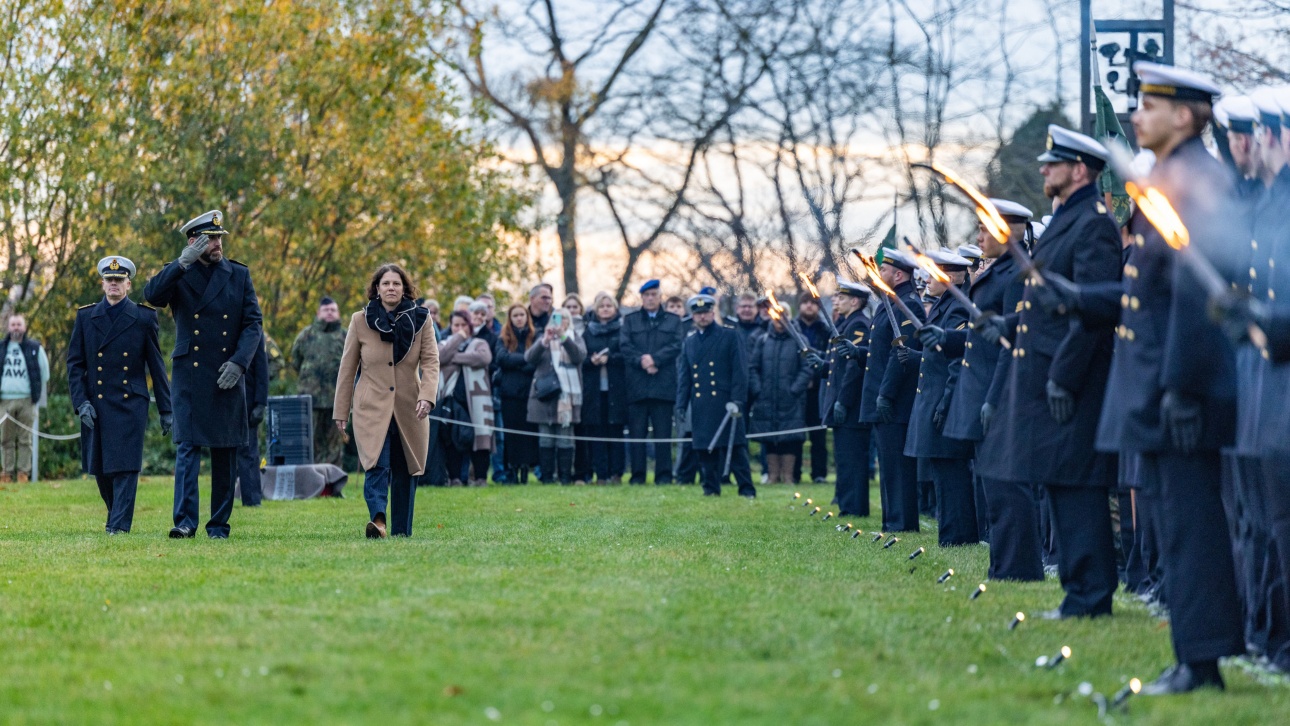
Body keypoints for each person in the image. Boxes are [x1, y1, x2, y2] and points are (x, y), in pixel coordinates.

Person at [975, 126, 1121, 617]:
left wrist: (1065, 375)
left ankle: (1090, 595)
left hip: (1069, 380)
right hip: (1047, 375)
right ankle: (1078, 592)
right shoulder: (1067, 221)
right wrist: (1007, 321)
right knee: (1061, 483)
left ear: (1080, 170)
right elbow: (1047, 307)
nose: (1043, 170)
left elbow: (1093, 311)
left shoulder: (1094, 224)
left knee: (1078, 487)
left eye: (1053, 164)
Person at [144, 210, 263, 539]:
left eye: (219, 237)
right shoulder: (180, 273)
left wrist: (240, 363)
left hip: (227, 372)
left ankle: (218, 525)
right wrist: (181, 263)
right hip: (190, 375)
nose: (217, 243)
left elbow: (253, 324)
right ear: (194, 241)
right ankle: (184, 522)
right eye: (210, 239)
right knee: (187, 448)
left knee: (225, 451)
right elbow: (151, 296)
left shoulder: (238, 275)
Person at [943, 199, 1041, 579]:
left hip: (1001, 390)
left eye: (985, 229)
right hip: (982, 386)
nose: (978, 237)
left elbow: (1013, 342)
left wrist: (994, 397)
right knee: (993, 485)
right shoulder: (998, 271)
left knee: (1008, 486)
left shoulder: (1018, 272)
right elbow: (980, 334)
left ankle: (1019, 567)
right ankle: (1003, 563)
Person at [66, 256, 172, 533]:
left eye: (119, 280)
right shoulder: (86, 316)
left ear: (128, 283)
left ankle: (119, 526)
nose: (114, 284)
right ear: (103, 283)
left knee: (126, 466)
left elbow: (156, 366)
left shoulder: (144, 317)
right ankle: (115, 516)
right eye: (109, 280)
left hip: (130, 403)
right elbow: (75, 364)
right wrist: (81, 403)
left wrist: (166, 409)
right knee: (101, 468)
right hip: (96, 405)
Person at [333, 263, 438, 538]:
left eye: (396, 283)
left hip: (410, 406)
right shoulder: (359, 320)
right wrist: (341, 410)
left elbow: (431, 361)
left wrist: (428, 397)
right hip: (370, 406)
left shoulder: (422, 319)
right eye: (386, 283)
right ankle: (378, 522)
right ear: (376, 289)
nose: (391, 288)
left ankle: (402, 530)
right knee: (376, 464)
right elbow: (348, 368)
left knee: (405, 467)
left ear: (405, 289)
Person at [906, 250, 978, 547]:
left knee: (951, 473)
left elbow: (955, 362)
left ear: (948, 278)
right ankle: (950, 533)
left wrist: (946, 402)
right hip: (935, 397)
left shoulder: (957, 309)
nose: (925, 280)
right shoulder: (944, 306)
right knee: (942, 470)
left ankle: (958, 536)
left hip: (944, 400)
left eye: (931, 274)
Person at [859, 248, 926, 533]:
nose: (878, 274)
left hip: (896, 400)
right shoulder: (890, 303)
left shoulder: (907, 305)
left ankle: (902, 523)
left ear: (898, 275)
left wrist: (885, 394)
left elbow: (899, 357)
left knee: (898, 466)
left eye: (883, 270)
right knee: (888, 464)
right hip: (883, 396)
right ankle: (891, 521)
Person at [676, 294, 755, 498]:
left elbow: (740, 371)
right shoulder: (690, 342)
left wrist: (738, 400)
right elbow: (685, 378)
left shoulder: (729, 335)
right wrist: (681, 405)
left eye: (705, 312)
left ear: (713, 313)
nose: (702, 317)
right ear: (693, 316)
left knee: (736, 448)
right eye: (698, 313)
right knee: (705, 449)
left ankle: (746, 489)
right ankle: (710, 488)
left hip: (726, 402)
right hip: (701, 403)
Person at [620, 280, 683, 485]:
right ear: (642, 297)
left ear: (659, 296)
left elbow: (676, 345)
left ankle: (663, 476)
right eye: (646, 295)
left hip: (663, 386)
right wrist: (642, 361)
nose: (650, 298)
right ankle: (637, 476)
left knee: (663, 434)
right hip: (637, 386)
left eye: (654, 294)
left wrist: (656, 360)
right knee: (637, 435)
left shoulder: (673, 321)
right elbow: (625, 347)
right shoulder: (631, 320)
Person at [822, 282, 872, 516]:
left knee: (853, 458)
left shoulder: (859, 324)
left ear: (855, 301)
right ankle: (846, 503)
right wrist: (822, 366)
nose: (836, 300)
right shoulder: (845, 324)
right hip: (842, 400)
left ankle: (854, 507)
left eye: (842, 297)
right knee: (844, 457)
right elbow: (838, 367)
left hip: (851, 403)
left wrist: (843, 400)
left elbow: (854, 368)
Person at [748, 310, 814, 483]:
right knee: (769, 437)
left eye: (783, 316)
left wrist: (794, 390)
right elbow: (753, 367)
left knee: (789, 438)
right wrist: (758, 389)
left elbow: (807, 367)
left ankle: (788, 477)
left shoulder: (800, 340)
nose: (780, 320)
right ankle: (772, 475)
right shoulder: (763, 340)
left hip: (791, 399)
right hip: (767, 398)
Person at [526, 307, 586, 484]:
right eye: (556, 319)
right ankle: (546, 477)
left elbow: (579, 356)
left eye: (564, 319)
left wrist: (563, 338)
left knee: (565, 438)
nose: (560, 323)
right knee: (545, 438)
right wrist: (544, 340)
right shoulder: (543, 338)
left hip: (566, 398)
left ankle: (565, 477)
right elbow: (529, 358)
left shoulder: (575, 338)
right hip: (544, 397)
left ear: (569, 322)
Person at [289, 297, 347, 468]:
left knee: (334, 443)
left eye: (333, 310)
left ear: (338, 313)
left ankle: (332, 482)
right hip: (310, 399)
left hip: (336, 399)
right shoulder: (306, 335)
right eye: (326, 310)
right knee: (309, 441)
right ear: (318, 313)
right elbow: (295, 361)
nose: (329, 313)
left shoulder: (345, 336)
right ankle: (309, 480)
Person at [439, 310, 494, 486]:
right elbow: (440, 357)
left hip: (477, 398)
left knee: (480, 438)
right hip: (452, 399)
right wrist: (459, 338)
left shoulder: (480, 342)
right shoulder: (444, 342)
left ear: (470, 326)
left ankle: (480, 478)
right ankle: (455, 478)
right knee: (453, 439)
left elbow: (483, 358)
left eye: (464, 325)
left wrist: (455, 358)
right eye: (456, 325)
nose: (460, 328)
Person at [580, 292, 627, 484]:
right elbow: (580, 358)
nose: (605, 309)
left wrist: (611, 359)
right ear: (596, 310)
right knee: (597, 434)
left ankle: (616, 473)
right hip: (594, 391)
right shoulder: (587, 331)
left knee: (615, 432)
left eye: (609, 306)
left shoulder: (623, 330)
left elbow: (627, 354)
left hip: (616, 390)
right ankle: (601, 473)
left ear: (615, 309)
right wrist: (592, 361)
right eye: (602, 306)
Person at [0, 314, 48, 483]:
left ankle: (23, 475)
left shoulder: (35, 348)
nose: (16, 328)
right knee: (5, 440)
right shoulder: (1, 348)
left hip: (27, 400)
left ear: (24, 327)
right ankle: (6, 474)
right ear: (8, 327)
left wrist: (37, 398)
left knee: (25, 440)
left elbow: (44, 374)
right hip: (4, 400)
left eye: (19, 324)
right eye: (13, 324)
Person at [495, 303, 539, 484]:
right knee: (511, 435)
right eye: (515, 315)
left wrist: (516, 361)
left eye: (522, 315)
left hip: (529, 393)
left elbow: (535, 362)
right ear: (510, 319)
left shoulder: (535, 337)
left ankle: (525, 470)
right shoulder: (503, 339)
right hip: (510, 394)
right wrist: (525, 358)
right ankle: (511, 470)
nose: (519, 318)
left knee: (528, 434)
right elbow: (502, 358)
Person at [794, 291, 832, 484]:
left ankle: (819, 473)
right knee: (796, 435)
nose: (809, 306)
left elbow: (828, 358)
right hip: (798, 391)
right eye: (805, 302)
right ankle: (795, 473)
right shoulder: (792, 329)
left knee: (818, 435)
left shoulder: (825, 331)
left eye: (813, 303)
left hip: (818, 390)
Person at [235, 336, 269, 506]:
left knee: (249, 452)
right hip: (225, 401)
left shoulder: (253, 331)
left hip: (248, 403)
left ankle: (252, 498)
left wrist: (261, 403)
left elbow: (262, 369)